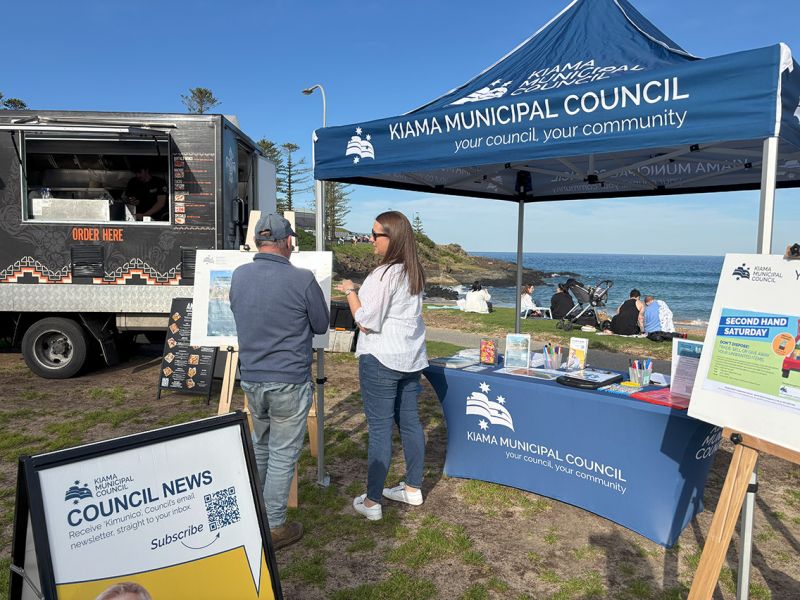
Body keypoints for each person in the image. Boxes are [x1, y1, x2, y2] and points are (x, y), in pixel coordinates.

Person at [229, 213, 329, 548]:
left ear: (259, 241)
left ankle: (254, 511)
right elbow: (320, 324)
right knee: (283, 453)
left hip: (252, 378)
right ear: (288, 242)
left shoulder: (240, 276)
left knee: (262, 444)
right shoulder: (301, 279)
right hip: (288, 379)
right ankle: (272, 526)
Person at [337, 211, 428, 521]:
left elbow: (365, 322)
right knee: (410, 422)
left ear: (393, 238)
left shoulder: (383, 275)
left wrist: (350, 290)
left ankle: (373, 501)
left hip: (381, 359)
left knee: (379, 430)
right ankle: (413, 488)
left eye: (376, 235)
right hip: (410, 359)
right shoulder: (414, 272)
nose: (370, 239)